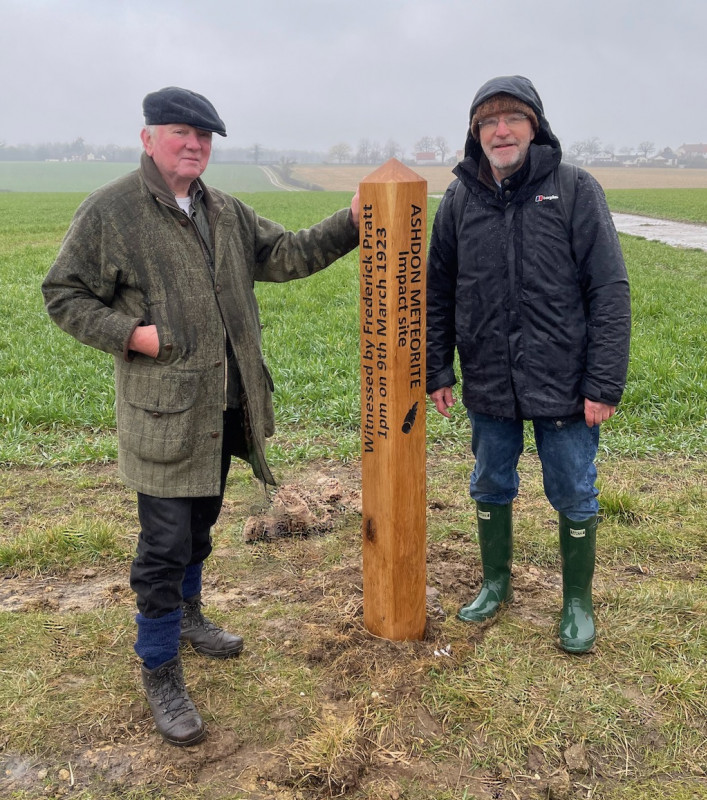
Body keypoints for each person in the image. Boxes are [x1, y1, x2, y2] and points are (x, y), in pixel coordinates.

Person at [42, 86, 360, 745]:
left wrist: (353, 221)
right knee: (162, 546)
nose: (193, 145)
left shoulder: (226, 212)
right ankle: (159, 667)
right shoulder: (114, 211)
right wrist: (134, 334)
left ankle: (188, 618)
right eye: (180, 132)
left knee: (201, 525)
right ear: (148, 137)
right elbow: (63, 292)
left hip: (224, 408)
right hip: (163, 417)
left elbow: (286, 254)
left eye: (204, 137)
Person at [426, 75, 630, 654]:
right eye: (487, 122)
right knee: (490, 481)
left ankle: (576, 603)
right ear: (476, 135)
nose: (500, 130)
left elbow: (609, 290)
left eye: (511, 118)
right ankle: (495, 584)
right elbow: (438, 288)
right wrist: (438, 368)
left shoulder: (573, 189)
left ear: (533, 126)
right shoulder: (461, 198)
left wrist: (604, 381)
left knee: (572, 489)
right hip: (489, 378)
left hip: (564, 383)